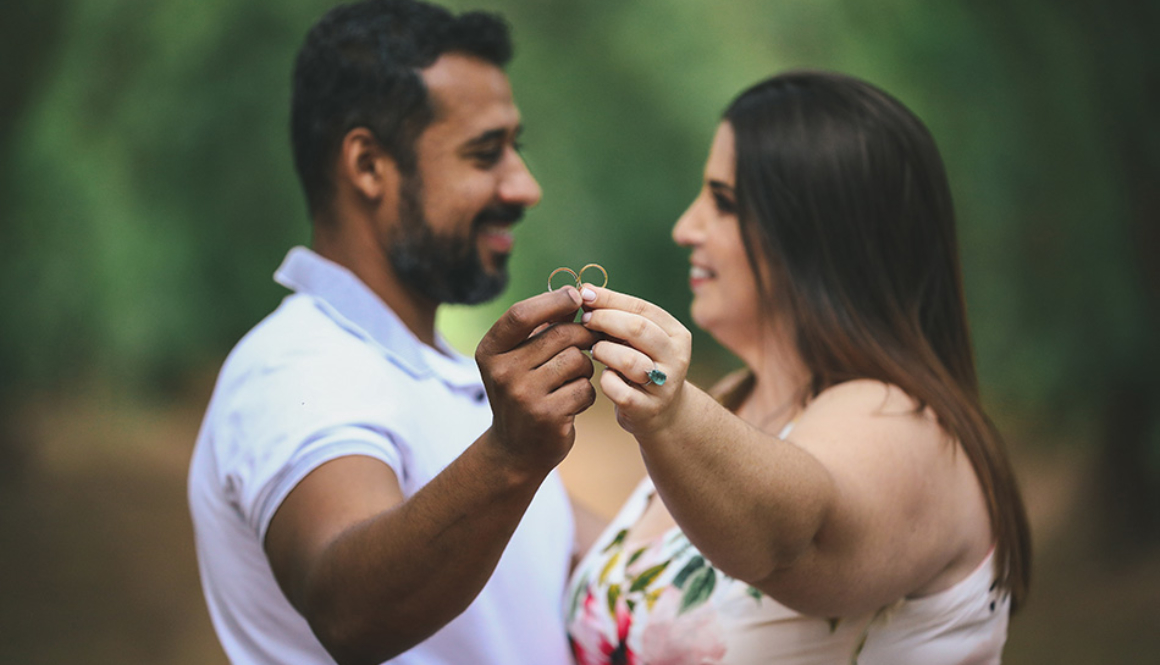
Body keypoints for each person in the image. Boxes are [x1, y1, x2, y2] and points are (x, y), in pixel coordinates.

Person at [565, 71, 1032, 664]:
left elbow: (790, 545)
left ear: (822, 238)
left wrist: (670, 411)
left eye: (724, 202)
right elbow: (640, 575)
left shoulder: (898, 420)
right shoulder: (741, 398)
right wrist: (503, 454)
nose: (686, 227)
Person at [187, 1, 600, 663]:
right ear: (369, 165)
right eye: (485, 153)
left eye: (515, 150)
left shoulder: (444, 373)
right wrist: (511, 454)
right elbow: (349, 610)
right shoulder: (295, 366)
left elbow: (608, 560)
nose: (525, 186)